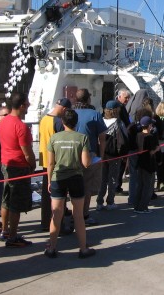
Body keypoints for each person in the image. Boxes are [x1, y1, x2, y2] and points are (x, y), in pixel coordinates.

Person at [45, 109, 96, 259]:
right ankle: (83, 248)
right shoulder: (82, 138)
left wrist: (49, 180)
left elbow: (50, 163)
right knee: (78, 215)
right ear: (76, 122)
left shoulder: (54, 138)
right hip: (76, 178)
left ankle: (52, 248)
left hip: (58, 178)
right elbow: (86, 163)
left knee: (56, 214)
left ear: (62, 122)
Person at [0, 92, 36, 247]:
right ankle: (13, 236)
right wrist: (32, 166)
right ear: (21, 106)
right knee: (16, 203)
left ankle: (4, 230)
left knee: (6, 198)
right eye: (27, 104)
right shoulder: (21, 127)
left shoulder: (4, 121)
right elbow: (27, 153)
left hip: (6, 163)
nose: (28, 106)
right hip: (19, 167)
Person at [73, 88, 107, 226]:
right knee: (87, 186)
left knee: (73, 185)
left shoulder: (70, 113)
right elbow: (102, 138)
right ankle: (84, 214)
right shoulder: (95, 114)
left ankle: (74, 212)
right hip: (89, 153)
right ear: (88, 99)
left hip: (70, 153)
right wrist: (102, 156)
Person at [38, 98, 69, 231]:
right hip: (56, 162)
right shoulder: (58, 122)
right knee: (58, 196)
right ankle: (57, 225)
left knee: (46, 195)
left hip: (45, 160)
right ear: (64, 109)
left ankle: (45, 222)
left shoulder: (44, 119)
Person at [96, 100, 129, 211]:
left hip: (102, 152)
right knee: (113, 178)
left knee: (103, 178)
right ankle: (110, 201)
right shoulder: (118, 123)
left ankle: (99, 202)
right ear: (117, 110)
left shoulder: (101, 120)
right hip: (115, 153)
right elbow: (125, 138)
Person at [134, 116, 160, 214]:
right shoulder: (150, 137)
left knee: (140, 185)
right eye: (151, 124)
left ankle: (137, 206)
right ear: (149, 126)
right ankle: (143, 207)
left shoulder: (138, 135)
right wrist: (156, 149)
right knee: (148, 186)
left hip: (140, 163)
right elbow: (150, 152)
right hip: (149, 164)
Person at [115, 89, 132, 196]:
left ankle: (116, 186)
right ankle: (117, 186)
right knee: (120, 164)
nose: (127, 100)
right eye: (126, 98)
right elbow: (125, 123)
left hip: (116, 139)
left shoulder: (118, 106)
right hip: (120, 140)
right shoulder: (120, 108)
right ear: (119, 97)